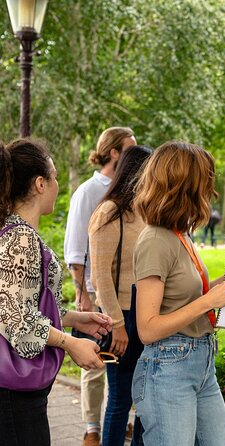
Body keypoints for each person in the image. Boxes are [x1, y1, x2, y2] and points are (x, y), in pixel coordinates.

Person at [131, 142, 225, 445]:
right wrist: (208, 302)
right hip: (168, 367)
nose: (212, 190)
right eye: (206, 181)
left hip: (200, 361)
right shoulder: (155, 240)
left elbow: (188, 295)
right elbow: (147, 328)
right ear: (186, 186)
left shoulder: (180, 233)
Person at [0, 138, 113, 446]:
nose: (57, 183)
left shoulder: (17, 234)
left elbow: (21, 303)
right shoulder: (21, 239)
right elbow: (17, 320)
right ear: (39, 183)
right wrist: (70, 343)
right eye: (54, 176)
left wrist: (74, 318)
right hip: (13, 396)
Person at [64, 126, 136, 446]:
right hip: (93, 292)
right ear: (114, 153)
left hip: (120, 291)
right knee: (95, 362)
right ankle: (93, 428)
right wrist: (84, 298)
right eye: (129, 149)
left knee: (118, 367)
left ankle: (114, 422)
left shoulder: (129, 192)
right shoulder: (88, 192)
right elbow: (76, 252)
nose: (135, 156)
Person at [89, 146, 152, 446]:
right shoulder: (109, 211)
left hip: (146, 316)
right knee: (120, 400)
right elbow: (99, 275)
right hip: (121, 318)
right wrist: (116, 323)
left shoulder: (144, 210)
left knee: (145, 399)